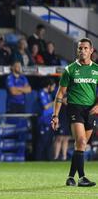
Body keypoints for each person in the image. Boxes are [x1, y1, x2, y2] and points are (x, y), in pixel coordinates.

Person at [51, 38, 97, 187]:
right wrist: (55, 115)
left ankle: (71, 177)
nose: (82, 51)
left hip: (90, 110)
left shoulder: (96, 69)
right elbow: (60, 94)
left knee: (80, 146)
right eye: (80, 48)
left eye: (85, 48)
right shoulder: (70, 69)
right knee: (81, 141)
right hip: (74, 108)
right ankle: (82, 178)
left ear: (91, 50)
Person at [36, 78, 56, 160]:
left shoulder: (48, 94)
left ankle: (47, 160)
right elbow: (45, 106)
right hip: (43, 121)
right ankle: (38, 160)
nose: (54, 88)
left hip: (49, 120)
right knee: (41, 143)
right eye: (53, 86)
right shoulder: (41, 93)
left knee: (48, 142)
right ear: (48, 86)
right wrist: (55, 102)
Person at [53, 94, 70, 161]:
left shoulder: (69, 106)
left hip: (67, 123)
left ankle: (64, 157)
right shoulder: (59, 106)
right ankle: (56, 157)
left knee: (66, 139)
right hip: (61, 123)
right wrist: (56, 122)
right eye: (65, 98)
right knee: (59, 138)